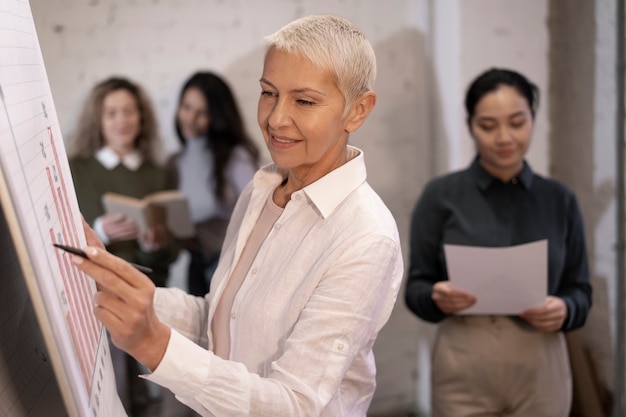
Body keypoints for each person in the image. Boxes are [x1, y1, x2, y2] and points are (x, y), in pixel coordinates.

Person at [71, 14, 403, 417]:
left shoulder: (365, 237)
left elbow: (294, 405)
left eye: (304, 101)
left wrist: (154, 346)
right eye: (268, 93)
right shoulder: (261, 190)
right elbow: (218, 320)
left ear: (358, 110)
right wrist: (110, 281)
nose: (276, 118)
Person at [404, 68, 592, 417]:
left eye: (517, 122)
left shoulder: (559, 199)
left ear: (533, 119)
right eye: (488, 126)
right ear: (471, 126)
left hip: (541, 366)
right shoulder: (441, 196)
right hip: (463, 364)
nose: (504, 137)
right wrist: (435, 296)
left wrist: (566, 309)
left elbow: (580, 291)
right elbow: (415, 288)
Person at [68, 76, 181, 416]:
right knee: (105, 387)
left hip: (144, 292)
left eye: (129, 111)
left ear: (141, 117)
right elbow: (60, 232)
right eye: (112, 113)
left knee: (146, 388)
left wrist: (153, 245)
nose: (122, 121)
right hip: (92, 293)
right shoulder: (77, 169)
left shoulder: (156, 174)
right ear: (98, 121)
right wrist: (100, 230)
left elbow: (171, 254)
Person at [167, 71, 259, 296]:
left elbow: (258, 209)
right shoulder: (174, 163)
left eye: (203, 113)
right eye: (186, 107)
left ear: (217, 116)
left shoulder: (235, 158)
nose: (190, 118)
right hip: (197, 264)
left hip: (231, 265)